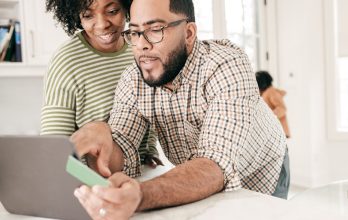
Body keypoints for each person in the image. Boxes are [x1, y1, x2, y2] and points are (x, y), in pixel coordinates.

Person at [72, 0, 290, 219]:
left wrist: (141, 195)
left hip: (262, 169)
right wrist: (103, 145)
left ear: (188, 33)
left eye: (155, 30)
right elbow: (122, 156)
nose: (141, 45)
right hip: (205, 177)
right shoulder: (132, 80)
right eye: (136, 33)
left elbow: (214, 165)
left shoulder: (226, 64)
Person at [40, 0, 161, 168]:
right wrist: (94, 184)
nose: (103, 24)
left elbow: (148, 105)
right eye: (88, 15)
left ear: (127, 7)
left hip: (139, 174)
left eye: (112, 11)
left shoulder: (139, 48)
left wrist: (149, 149)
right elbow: (53, 152)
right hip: (93, 180)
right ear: (77, 16)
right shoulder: (66, 61)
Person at [255, 71, 291, 138]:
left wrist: (270, 116)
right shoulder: (266, 93)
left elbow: (282, 108)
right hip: (276, 130)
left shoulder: (271, 92)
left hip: (279, 130)